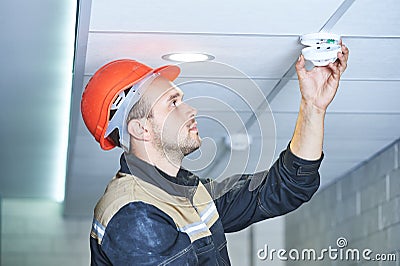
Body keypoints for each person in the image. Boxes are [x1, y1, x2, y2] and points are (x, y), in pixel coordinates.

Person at [81, 43, 349, 265]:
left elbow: (286, 188)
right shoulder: (134, 214)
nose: (190, 110)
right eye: (173, 103)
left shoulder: (189, 194)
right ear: (141, 128)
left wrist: (313, 106)